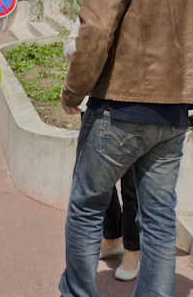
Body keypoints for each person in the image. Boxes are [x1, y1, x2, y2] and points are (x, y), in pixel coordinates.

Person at [58, 0, 193, 297]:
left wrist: (73, 91)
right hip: (173, 118)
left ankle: (77, 293)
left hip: (119, 110)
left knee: (86, 207)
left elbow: (94, 34)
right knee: (160, 218)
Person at [63, 18, 141, 281]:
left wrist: (98, 51)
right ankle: (112, 237)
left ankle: (133, 248)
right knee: (95, 183)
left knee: (132, 186)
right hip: (96, 105)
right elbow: (70, 46)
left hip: (134, 106)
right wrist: (91, 51)